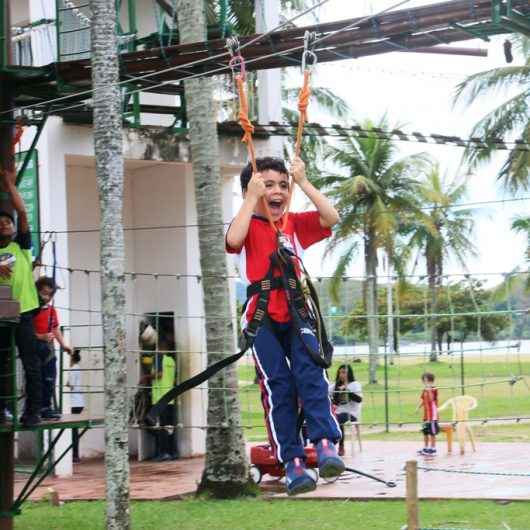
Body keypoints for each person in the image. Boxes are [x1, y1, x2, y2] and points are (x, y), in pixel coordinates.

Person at [226, 156, 342, 496]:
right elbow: (233, 241)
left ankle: (323, 442)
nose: (277, 192)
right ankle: (291, 461)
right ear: (254, 189)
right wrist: (250, 198)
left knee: (310, 373)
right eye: (269, 185)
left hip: (297, 311)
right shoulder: (246, 223)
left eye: (282, 185)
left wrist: (303, 182)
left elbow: (330, 217)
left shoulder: (293, 224)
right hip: (261, 316)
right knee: (278, 384)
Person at [0, 167, 41, 427]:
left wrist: (9, 184)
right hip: (2, 313)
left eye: (8, 221)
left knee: (31, 363)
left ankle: (33, 411)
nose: (5, 224)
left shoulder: (21, 246)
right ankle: (2, 408)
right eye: (1, 222)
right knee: (1, 362)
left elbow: (23, 212)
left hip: (25, 311)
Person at [33, 276, 72, 419]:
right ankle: (34, 409)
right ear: (36, 291)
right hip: (33, 348)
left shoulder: (51, 311)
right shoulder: (30, 310)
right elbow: (25, 331)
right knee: (36, 379)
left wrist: (64, 345)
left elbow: (55, 329)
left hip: (48, 349)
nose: (46, 297)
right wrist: (40, 336)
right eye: (43, 293)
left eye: (50, 294)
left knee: (49, 378)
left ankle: (46, 408)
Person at [329, 364, 363, 456]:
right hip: (338, 412)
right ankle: (328, 446)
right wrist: (336, 394)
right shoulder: (335, 386)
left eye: (344, 372)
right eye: (340, 372)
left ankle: (341, 446)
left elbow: (359, 399)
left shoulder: (355, 385)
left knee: (338, 420)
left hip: (351, 413)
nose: (341, 375)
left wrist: (346, 390)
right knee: (330, 419)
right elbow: (333, 401)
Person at [67, 349, 85, 463]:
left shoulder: (73, 369)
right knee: (75, 430)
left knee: (73, 431)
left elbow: (72, 385)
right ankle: (75, 455)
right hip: (79, 402)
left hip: (74, 402)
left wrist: (67, 383)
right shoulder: (78, 368)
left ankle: (75, 455)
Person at [416, 372, 439, 455]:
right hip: (426, 415)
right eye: (424, 381)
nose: (425, 382)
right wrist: (418, 407)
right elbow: (423, 400)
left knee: (432, 432)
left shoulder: (434, 389)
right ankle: (426, 448)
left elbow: (432, 399)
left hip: (432, 416)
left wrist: (429, 390)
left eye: (426, 381)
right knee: (425, 431)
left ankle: (433, 449)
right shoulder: (425, 390)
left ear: (431, 381)